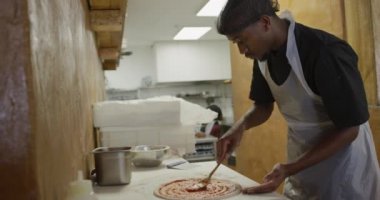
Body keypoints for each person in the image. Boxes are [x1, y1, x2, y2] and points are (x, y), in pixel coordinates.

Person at [215, 0, 380, 199]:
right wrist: (239, 128)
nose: (242, 51)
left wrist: (289, 168)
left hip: (345, 165)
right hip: (301, 159)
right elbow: (263, 106)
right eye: (236, 43)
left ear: (265, 23)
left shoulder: (325, 51)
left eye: (242, 40)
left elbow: (349, 129)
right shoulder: (262, 56)